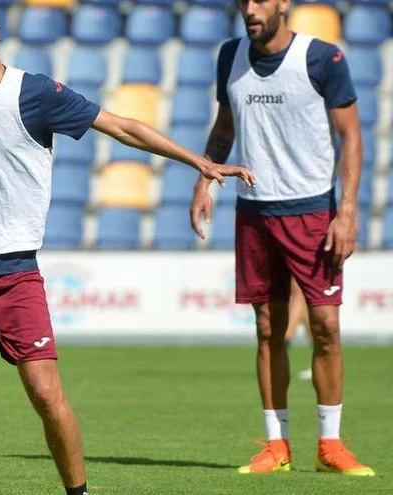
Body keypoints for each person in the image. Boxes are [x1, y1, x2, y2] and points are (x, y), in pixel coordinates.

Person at [0, 1, 255, 494]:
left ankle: (79, 492)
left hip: (10, 274)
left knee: (47, 397)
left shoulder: (36, 93)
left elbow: (121, 127)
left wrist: (197, 161)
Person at [189, 0, 374, 476]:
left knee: (326, 328)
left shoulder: (321, 59)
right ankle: (277, 445)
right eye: (242, 1)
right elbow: (224, 127)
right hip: (254, 211)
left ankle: (330, 445)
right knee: (268, 329)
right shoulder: (230, 56)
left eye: (259, 0)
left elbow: (351, 137)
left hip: (313, 212)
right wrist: (204, 182)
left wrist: (347, 211)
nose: (249, 9)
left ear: (283, 3)